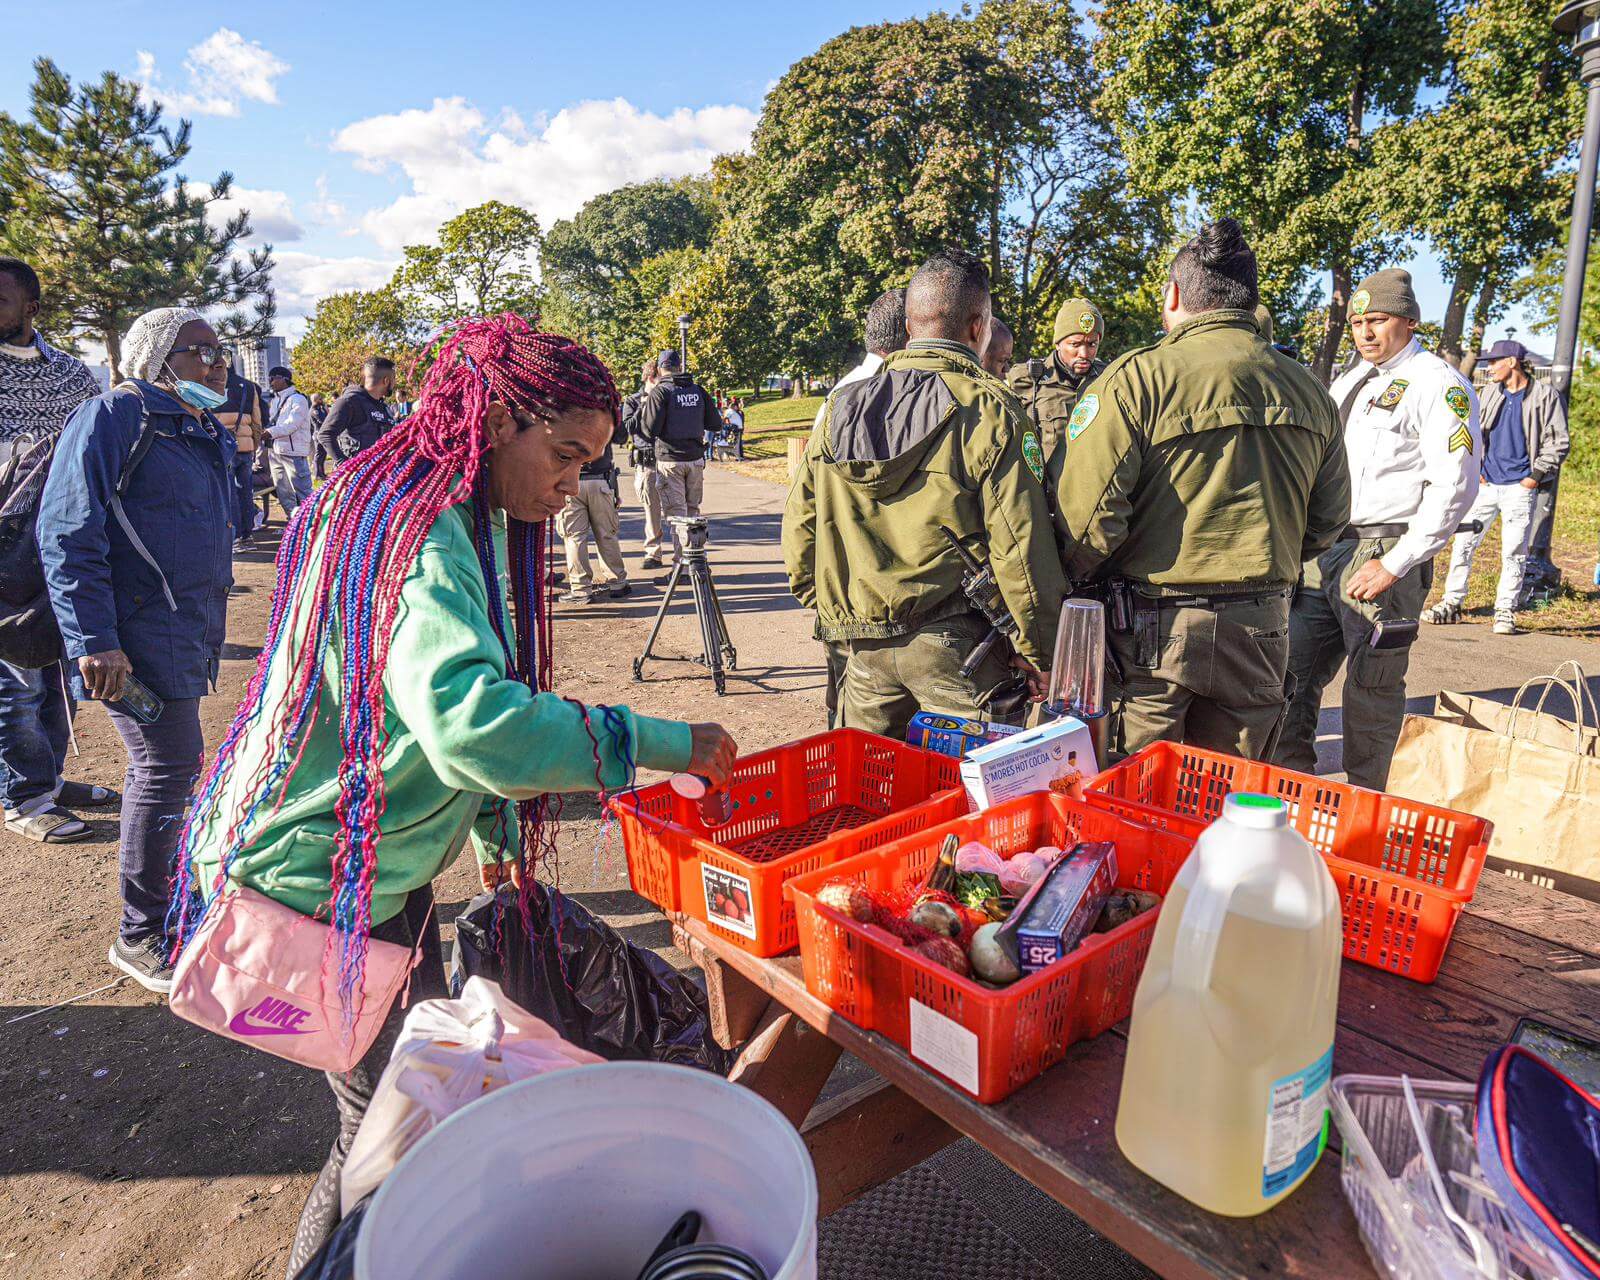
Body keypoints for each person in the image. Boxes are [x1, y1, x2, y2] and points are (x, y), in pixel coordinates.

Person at [167, 315, 736, 1270]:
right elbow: (473, 722)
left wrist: (488, 821)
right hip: (317, 884)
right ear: (498, 418)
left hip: (351, 867)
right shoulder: (424, 532)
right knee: (385, 1134)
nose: (570, 486)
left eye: (587, 463)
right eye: (561, 456)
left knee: (388, 1115)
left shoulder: (408, 498)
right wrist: (658, 741)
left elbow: (400, 710)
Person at [1055, 219, 1350, 761]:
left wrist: (1079, 582)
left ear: (1172, 295)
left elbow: (1089, 521)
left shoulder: (1135, 380)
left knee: (1134, 799)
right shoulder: (1311, 390)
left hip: (1153, 631)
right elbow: (1329, 520)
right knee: (1224, 799)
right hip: (1261, 624)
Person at [784, 250, 1063, 740]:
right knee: (973, 800)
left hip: (860, 641)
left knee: (868, 794)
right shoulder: (990, 409)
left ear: (911, 324)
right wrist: (1039, 648)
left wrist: (835, 608)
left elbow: (800, 529)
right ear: (978, 327)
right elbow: (1021, 546)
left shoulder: (839, 408)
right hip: (960, 648)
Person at [38, 307, 235, 991]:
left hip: (184, 626)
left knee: (179, 764)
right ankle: (140, 932)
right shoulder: (115, 416)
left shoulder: (198, 426)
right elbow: (67, 533)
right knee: (166, 764)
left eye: (220, 350)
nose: (215, 363)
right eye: (199, 350)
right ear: (154, 357)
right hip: (132, 634)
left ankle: (172, 904)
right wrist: (95, 639)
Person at [1275, 268, 1480, 790]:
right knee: (1290, 676)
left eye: (1378, 320)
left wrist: (1395, 562)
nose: (1366, 332)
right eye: (1358, 322)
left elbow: (1455, 485)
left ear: (1410, 321)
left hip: (1384, 546)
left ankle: (1368, 804)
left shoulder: (1438, 383)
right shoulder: (1351, 381)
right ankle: (1292, 787)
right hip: (1326, 549)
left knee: (1372, 688)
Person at [0, 256, 115, 843]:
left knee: (58, 667)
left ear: (31, 309)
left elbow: (91, 453)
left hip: (62, 541)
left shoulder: (71, 374)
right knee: (16, 675)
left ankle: (49, 777)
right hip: (3, 552)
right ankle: (21, 796)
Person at [804, 287, 907, 729]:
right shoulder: (868, 397)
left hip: (843, 591)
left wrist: (817, 592)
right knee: (854, 718)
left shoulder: (839, 396)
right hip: (865, 596)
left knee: (847, 710)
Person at [1425, 339, 1569, 635]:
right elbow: (1471, 430)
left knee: (1514, 551)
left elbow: (1558, 441)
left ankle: (1505, 611)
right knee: (1464, 543)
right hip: (1486, 485)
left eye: (1494, 362)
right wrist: (1476, 467)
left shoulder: (1544, 396)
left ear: (1512, 362)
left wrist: (1535, 476)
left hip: (1520, 487)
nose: (1489, 367)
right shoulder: (1489, 393)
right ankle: (1452, 603)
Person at [638, 348, 720, 564]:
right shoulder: (698, 390)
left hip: (670, 460)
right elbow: (715, 423)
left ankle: (681, 567)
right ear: (679, 366)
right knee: (692, 512)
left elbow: (649, 431)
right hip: (695, 459)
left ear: (659, 368)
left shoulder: (661, 392)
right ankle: (695, 560)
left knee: (678, 516)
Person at [1008, 297, 1108, 464]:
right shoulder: (1026, 379)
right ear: (1058, 343)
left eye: (1092, 344)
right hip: (1049, 488)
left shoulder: (1109, 379)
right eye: (1075, 344)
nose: (1084, 353)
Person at [556, 390, 631, 604]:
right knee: (606, 533)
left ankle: (580, 589)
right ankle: (617, 581)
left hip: (570, 479)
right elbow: (622, 437)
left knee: (574, 536)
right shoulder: (604, 405)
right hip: (600, 479)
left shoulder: (562, 404)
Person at [622, 357, 666, 569]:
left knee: (675, 509)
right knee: (652, 510)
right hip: (647, 461)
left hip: (667, 459)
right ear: (651, 377)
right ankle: (653, 552)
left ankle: (681, 553)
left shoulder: (666, 397)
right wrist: (644, 405)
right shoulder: (632, 400)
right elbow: (627, 428)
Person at [216, 368, 265, 551]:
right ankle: (247, 535)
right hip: (245, 447)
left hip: (222, 447)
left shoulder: (210, 383)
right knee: (245, 491)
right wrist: (254, 443)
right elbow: (257, 420)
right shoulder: (249, 386)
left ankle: (235, 535)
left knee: (229, 492)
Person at [317, 356, 397, 467]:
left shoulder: (383, 407)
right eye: (393, 379)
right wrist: (345, 466)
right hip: (353, 478)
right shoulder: (349, 402)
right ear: (386, 380)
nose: (394, 384)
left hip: (377, 474)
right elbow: (325, 435)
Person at [263, 365, 313, 518]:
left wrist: (269, 433)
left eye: (273, 378)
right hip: (275, 452)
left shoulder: (298, 399)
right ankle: (293, 524)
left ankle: (311, 525)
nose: (270, 382)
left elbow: (292, 424)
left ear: (284, 379)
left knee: (304, 492)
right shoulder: (275, 401)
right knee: (283, 492)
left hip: (294, 453)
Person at [309, 392, 329, 479]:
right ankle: (317, 474)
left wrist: (325, 408)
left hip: (322, 433)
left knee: (323, 454)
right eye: (320, 399)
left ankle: (322, 473)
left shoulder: (320, 408)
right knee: (318, 455)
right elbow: (323, 420)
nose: (322, 400)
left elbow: (327, 416)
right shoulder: (314, 410)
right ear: (315, 400)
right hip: (318, 434)